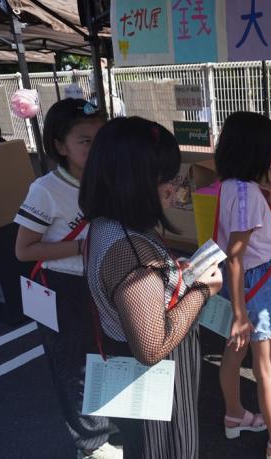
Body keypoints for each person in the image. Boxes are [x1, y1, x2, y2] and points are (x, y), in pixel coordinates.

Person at [80, 116, 221, 458]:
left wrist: (174, 275)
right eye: (169, 179)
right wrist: (202, 291)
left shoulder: (108, 225)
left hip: (135, 370)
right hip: (155, 379)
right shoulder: (131, 254)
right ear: (138, 184)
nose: (175, 189)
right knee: (164, 449)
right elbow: (151, 347)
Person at [13, 99, 119, 459]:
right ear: (60, 146)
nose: (96, 146)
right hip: (65, 288)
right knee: (75, 365)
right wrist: (83, 247)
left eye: (101, 137)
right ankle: (90, 445)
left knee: (107, 355)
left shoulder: (108, 176)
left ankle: (105, 420)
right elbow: (24, 250)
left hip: (104, 280)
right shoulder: (46, 189)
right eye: (85, 140)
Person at [214, 112, 271, 459]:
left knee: (233, 352)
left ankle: (235, 415)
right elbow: (236, 255)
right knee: (266, 368)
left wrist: (269, 197)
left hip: (240, 280)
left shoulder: (232, 186)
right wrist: (241, 313)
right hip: (255, 282)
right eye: (269, 151)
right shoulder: (246, 194)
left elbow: (248, 237)